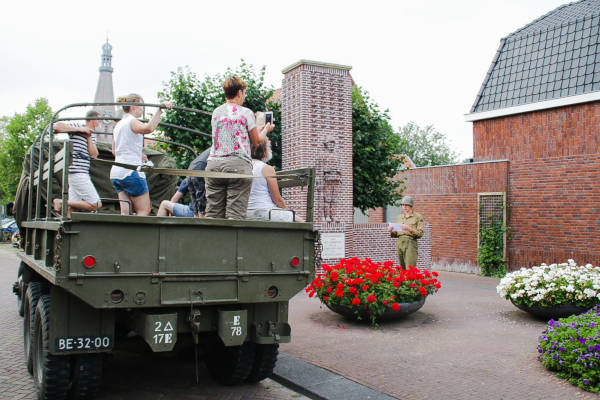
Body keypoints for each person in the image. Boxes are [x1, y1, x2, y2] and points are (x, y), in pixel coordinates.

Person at [204, 76, 274, 219]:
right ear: (240, 92)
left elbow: (229, 134)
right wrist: (266, 129)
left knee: (213, 213)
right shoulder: (245, 112)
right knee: (234, 214)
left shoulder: (216, 112)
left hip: (214, 165)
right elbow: (256, 141)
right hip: (238, 165)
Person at [110, 94, 172, 216]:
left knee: (125, 212)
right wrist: (159, 110)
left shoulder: (118, 125)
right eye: (141, 106)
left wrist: (138, 154)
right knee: (144, 210)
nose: (142, 109)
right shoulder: (131, 121)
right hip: (131, 171)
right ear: (134, 106)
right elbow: (148, 128)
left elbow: (114, 151)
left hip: (117, 172)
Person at [51, 110, 102, 216]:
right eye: (99, 119)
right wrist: (79, 129)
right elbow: (56, 126)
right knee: (96, 204)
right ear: (93, 119)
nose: (100, 123)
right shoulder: (78, 125)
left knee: (73, 209)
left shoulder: (92, 135)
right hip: (77, 171)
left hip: (82, 171)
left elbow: (94, 155)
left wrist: (88, 137)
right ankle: (60, 202)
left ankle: (65, 228)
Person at [246, 138, 292, 221]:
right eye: (269, 147)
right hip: (264, 212)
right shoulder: (266, 168)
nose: (270, 150)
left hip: (246, 212)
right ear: (263, 150)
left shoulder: (243, 166)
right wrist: (287, 210)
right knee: (294, 217)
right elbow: (277, 200)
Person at [157, 147, 210, 218]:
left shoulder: (195, 170)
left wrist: (171, 214)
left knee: (164, 204)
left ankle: (158, 228)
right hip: (211, 212)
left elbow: (177, 196)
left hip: (194, 213)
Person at [387, 196, 424, 269]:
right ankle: (403, 281)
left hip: (410, 243)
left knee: (410, 268)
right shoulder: (399, 217)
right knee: (402, 268)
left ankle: (411, 280)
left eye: (406, 205)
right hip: (400, 242)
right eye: (403, 205)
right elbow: (395, 234)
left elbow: (420, 234)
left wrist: (409, 229)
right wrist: (391, 230)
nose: (404, 207)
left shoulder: (418, 217)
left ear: (411, 206)